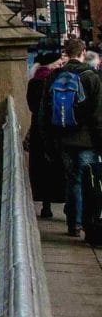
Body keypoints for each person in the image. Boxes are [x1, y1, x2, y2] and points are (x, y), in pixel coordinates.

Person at [39, 37, 102, 238]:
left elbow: (44, 113)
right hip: (87, 140)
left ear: (66, 52)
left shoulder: (54, 76)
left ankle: (73, 224)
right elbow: (98, 115)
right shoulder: (91, 77)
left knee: (72, 180)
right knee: (89, 182)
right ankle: (89, 224)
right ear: (83, 51)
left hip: (62, 138)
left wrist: (48, 142)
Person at [26, 50, 66, 220]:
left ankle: (46, 204)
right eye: (58, 63)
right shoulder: (55, 81)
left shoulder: (34, 81)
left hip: (37, 129)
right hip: (53, 129)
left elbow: (31, 107)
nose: (60, 65)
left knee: (41, 169)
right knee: (56, 169)